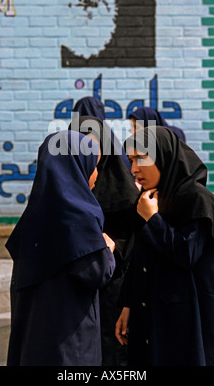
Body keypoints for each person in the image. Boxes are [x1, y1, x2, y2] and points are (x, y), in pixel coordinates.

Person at [115, 126, 214, 366]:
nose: (134, 169)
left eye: (141, 159)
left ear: (163, 155)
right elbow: (139, 256)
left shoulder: (197, 199)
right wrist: (127, 304)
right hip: (152, 312)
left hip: (187, 319)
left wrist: (153, 219)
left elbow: (185, 254)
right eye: (131, 160)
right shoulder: (150, 199)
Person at [5, 130, 116, 366]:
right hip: (70, 340)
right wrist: (107, 249)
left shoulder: (34, 213)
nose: (96, 174)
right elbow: (95, 272)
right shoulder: (80, 214)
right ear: (76, 166)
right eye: (92, 166)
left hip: (35, 337)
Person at [69, 115, 139, 366]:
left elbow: (134, 243)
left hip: (114, 284)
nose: (90, 153)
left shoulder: (126, 191)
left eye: (94, 146)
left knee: (111, 352)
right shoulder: (69, 186)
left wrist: (109, 248)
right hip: (79, 286)